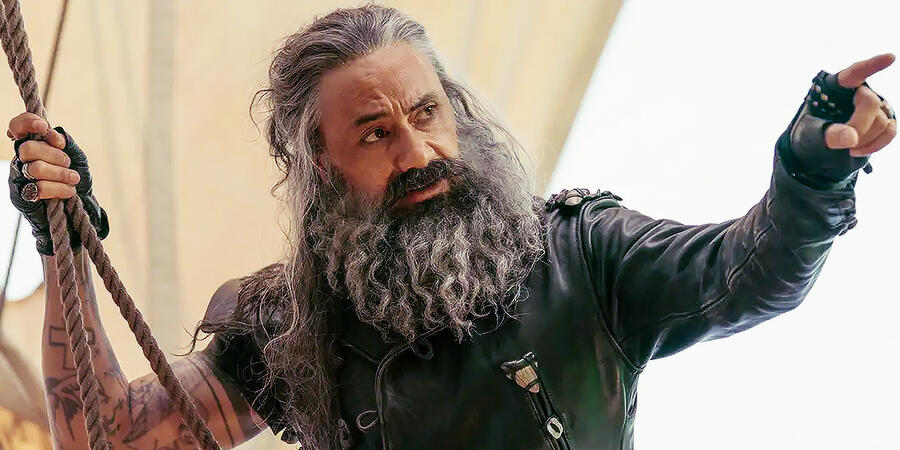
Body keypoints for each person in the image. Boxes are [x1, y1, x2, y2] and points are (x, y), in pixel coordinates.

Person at [8, 5, 896, 450]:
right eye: (375, 134)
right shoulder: (288, 326)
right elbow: (109, 438)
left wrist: (811, 172)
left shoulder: (580, 253)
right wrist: (66, 246)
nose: (419, 151)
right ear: (321, 167)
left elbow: (752, 271)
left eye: (428, 113)